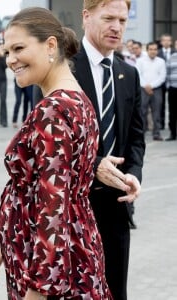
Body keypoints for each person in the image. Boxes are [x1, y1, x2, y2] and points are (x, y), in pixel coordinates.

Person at [0, 7, 112, 300]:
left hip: (53, 273)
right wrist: (8, 243)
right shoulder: (77, 99)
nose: (11, 59)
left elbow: (53, 207)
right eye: (7, 51)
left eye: (18, 48)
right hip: (68, 251)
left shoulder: (53, 110)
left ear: (51, 45)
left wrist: (39, 291)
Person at [71, 1, 145, 300]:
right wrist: (96, 163)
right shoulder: (62, 68)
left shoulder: (129, 74)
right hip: (75, 207)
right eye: (109, 18)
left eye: (123, 20)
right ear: (86, 17)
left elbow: (136, 139)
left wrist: (134, 175)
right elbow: (53, 143)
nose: (117, 27)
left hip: (117, 205)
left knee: (115, 291)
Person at [136, 42, 166, 140]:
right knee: (142, 112)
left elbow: (162, 77)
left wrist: (151, 86)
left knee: (156, 112)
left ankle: (156, 133)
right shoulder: (140, 61)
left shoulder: (161, 61)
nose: (153, 51)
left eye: (155, 49)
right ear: (147, 50)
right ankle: (141, 133)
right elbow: (138, 75)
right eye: (151, 49)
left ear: (157, 51)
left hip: (156, 90)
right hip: (143, 89)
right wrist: (146, 86)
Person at [157, 33, 175, 130]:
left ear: (171, 42)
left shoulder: (174, 52)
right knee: (161, 104)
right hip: (161, 83)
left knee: (172, 105)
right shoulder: (158, 52)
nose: (166, 42)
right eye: (164, 40)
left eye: (168, 40)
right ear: (161, 42)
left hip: (173, 83)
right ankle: (161, 123)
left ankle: (172, 125)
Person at [166, 51, 177, 141]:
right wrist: (168, 85)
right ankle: (173, 133)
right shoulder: (172, 57)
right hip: (173, 88)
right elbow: (167, 71)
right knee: (172, 112)